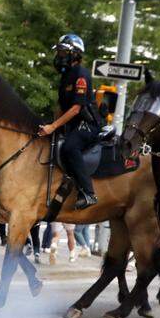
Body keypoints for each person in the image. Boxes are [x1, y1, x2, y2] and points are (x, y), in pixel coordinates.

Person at [38, 34, 101, 210]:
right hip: (72, 123)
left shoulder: (81, 75)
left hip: (87, 124)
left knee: (69, 147)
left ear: (74, 54)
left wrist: (54, 126)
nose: (59, 56)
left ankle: (88, 193)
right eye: (58, 52)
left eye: (63, 52)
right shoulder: (66, 76)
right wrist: (50, 125)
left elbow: (76, 108)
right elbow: (61, 106)